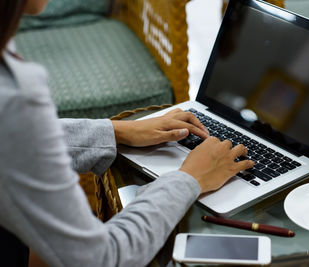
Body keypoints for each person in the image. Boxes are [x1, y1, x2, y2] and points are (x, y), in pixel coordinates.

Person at [0, 0, 254, 266]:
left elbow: (12, 140)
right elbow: (101, 258)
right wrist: (190, 178)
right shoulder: (15, 95)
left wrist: (115, 131)